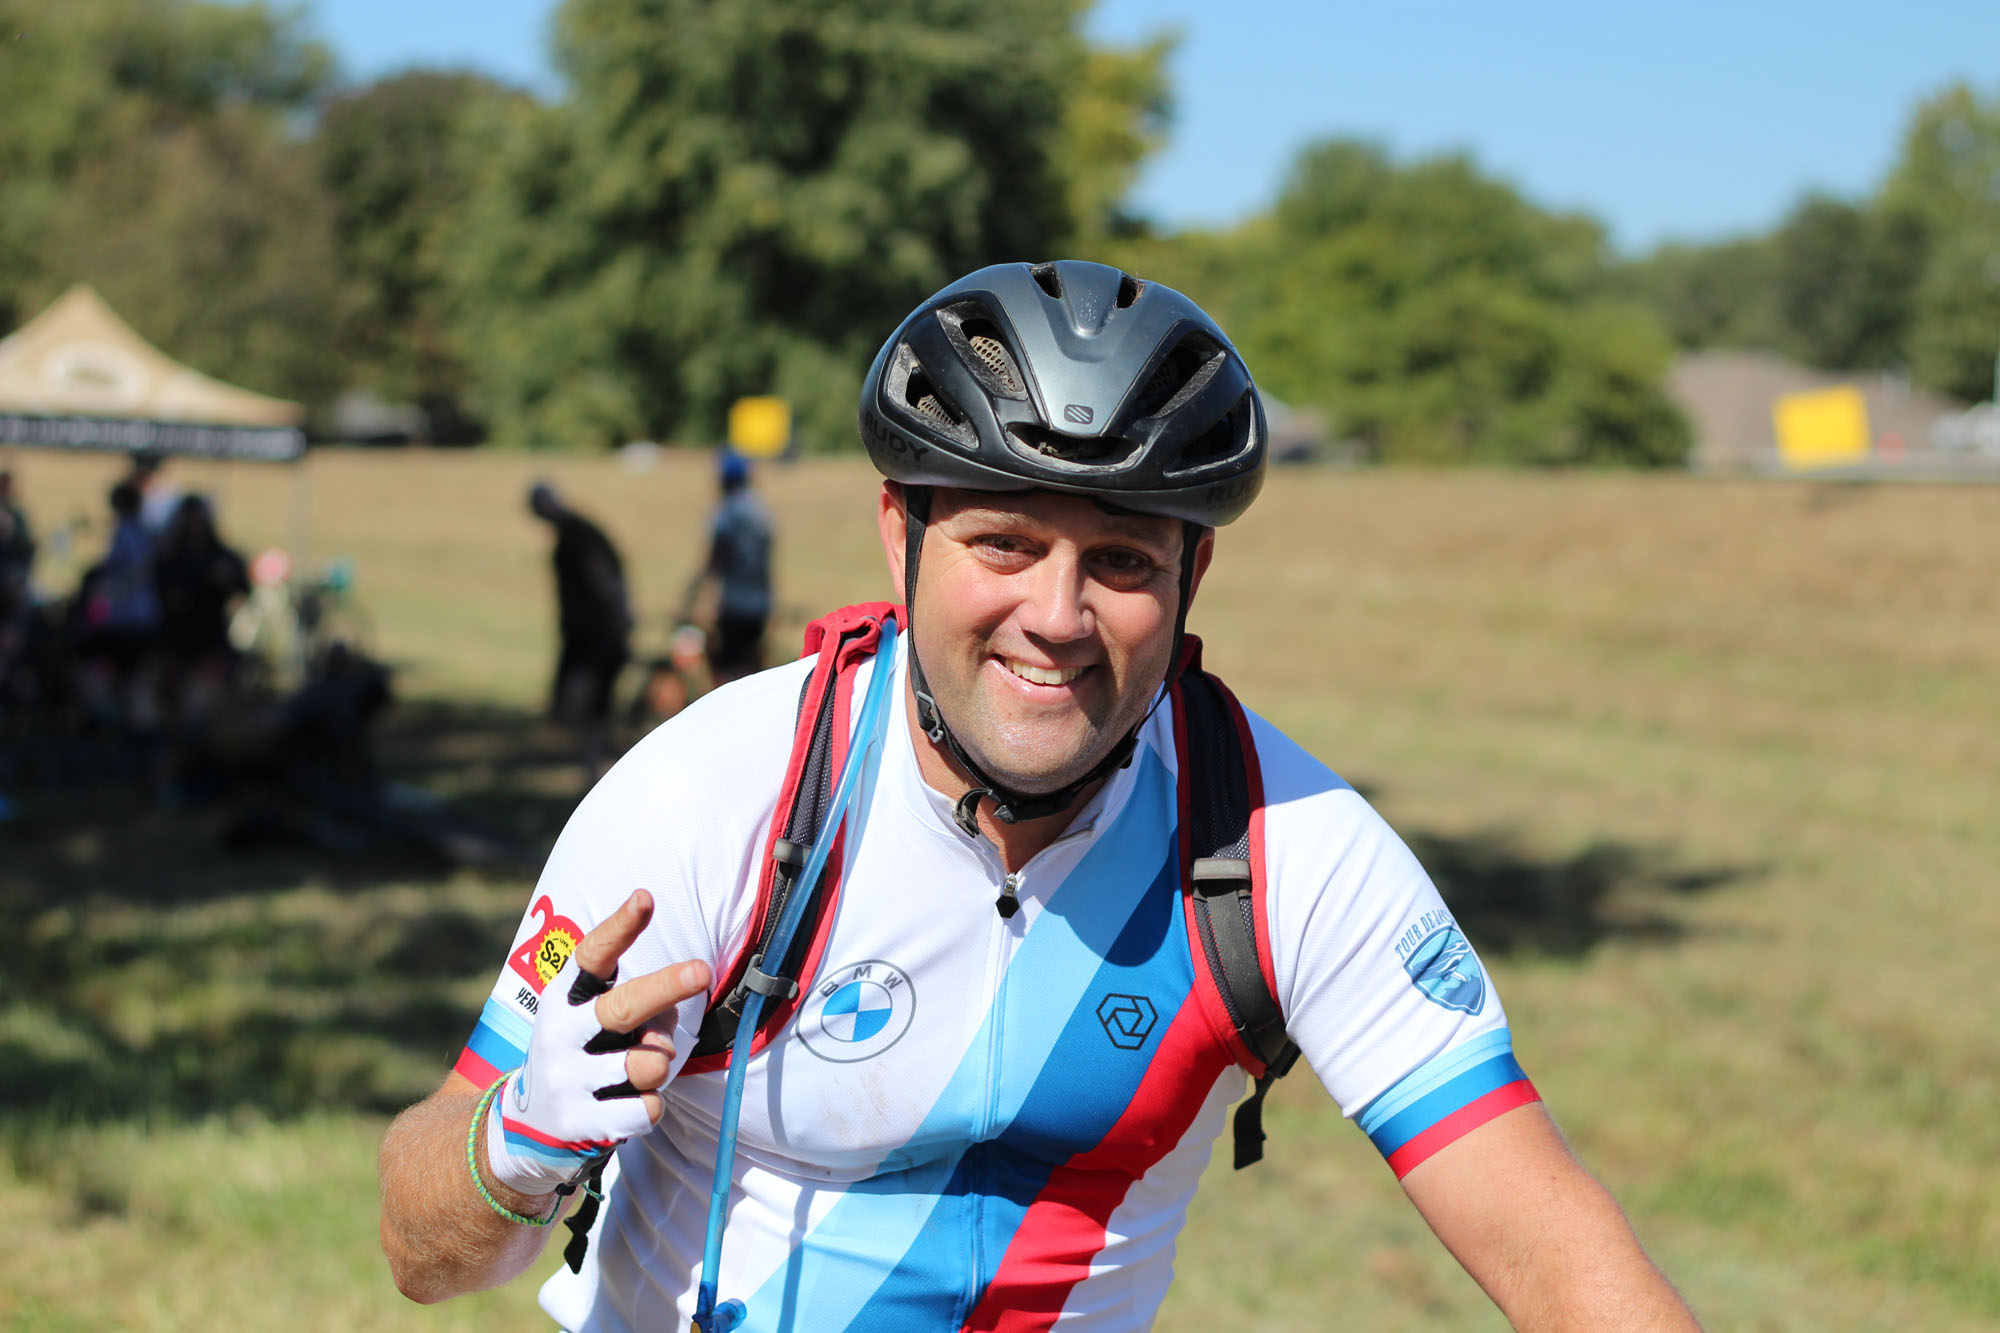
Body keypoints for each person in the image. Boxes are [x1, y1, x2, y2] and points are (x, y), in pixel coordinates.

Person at [381, 262, 1701, 1331]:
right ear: (900, 533)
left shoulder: (1277, 845)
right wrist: (515, 1142)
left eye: (1120, 560)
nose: (1056, 617)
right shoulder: (713, 797)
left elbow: (1554, 1251)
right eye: (1002, 542)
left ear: (1192, 576)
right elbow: (421, 1248)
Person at [528, 482, 633, 782]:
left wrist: (618, 616)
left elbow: (603, 580)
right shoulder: (575, 533)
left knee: (591, 701)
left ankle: (594, 764)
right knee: (585, 703)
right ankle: (588, 762)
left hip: (597, 631)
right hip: (590, 629)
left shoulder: (577, 537)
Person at [681, 449, 773, 685]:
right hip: (761, 602)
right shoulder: (761, 512)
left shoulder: (726, 513)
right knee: (752, 664)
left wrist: (691, 595)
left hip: (734, 603)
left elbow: (714, 560)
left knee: (727, 668)